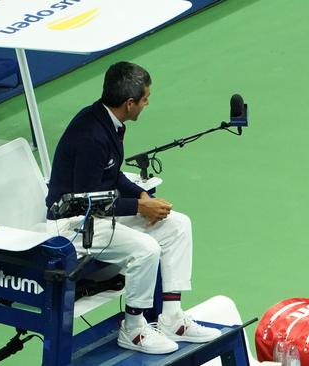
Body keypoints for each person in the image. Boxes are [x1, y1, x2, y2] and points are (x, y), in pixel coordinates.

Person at [45, 61, 221, 354]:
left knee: (178, 225)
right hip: (72, 225)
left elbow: (111, 177)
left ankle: (172, 319)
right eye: (145, 99)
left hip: (95, 214)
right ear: (129, 103)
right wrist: (139, 209)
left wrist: (142, 197)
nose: (147, 103)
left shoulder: (109, 123)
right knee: (146, 249)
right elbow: (86, 200)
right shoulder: (92, 136)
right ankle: (134, 329)